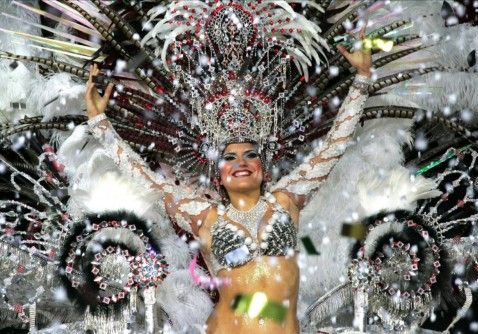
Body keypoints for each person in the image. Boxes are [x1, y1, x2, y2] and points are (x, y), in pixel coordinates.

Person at [85, 29, 372, 334]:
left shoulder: (287, 200)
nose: (241, 163)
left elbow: (333, 146)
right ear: (219, 175)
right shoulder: (204, 216)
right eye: (230, 158)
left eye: (250, 154)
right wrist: (100, 124)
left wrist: (363, 78)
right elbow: (145, 179)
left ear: (263, 167)